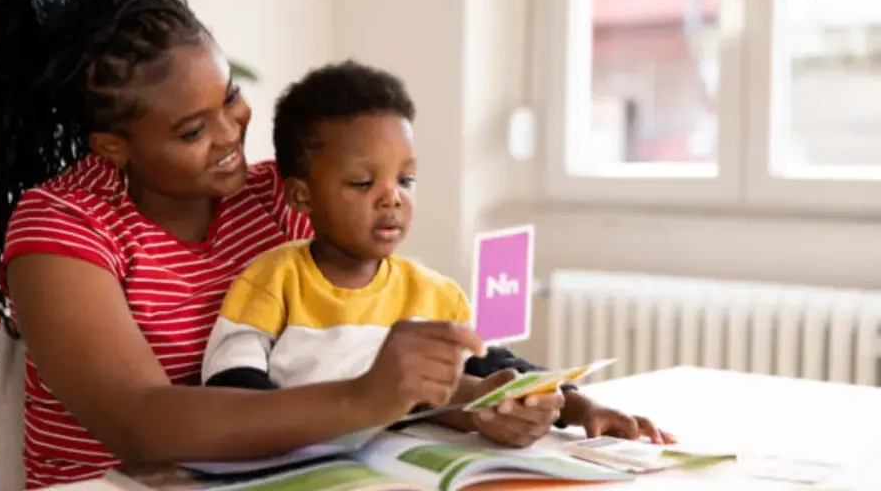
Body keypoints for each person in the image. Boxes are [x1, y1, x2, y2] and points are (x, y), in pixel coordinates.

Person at [0, 0, 669, 490]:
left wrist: (514, 401)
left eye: (229, 97)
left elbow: (354, 357)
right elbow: (137, 421)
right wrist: (364, 397)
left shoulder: (279, 199)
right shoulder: (61, 224)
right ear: (113, 145)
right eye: (192, 131)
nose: (230, 134)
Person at [200, 60, 676, 444]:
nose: (392, 198)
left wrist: (581, 406)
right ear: (301, 197)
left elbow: (497, 366)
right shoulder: (272, 280)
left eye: (405, 180)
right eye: (363, 183)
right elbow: (230, 388)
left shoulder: (431, 294)